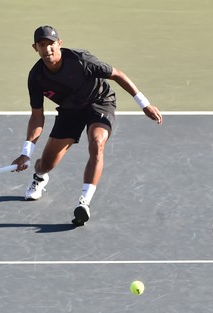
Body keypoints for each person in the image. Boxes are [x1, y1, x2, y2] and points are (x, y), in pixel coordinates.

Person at [11, 25, 163, 226]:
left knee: (97, 144)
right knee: (47, 164)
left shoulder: (80, 60)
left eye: (51, 44)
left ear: (60, 44)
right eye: (42, 45)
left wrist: (144, 104)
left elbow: (117, 74)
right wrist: (27, 152)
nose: (47, 49)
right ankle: (39, 176)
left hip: (99, 102)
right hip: (69, 112)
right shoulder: (36, 77)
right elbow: (37, 116)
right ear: (35, 48)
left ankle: (84, 202)